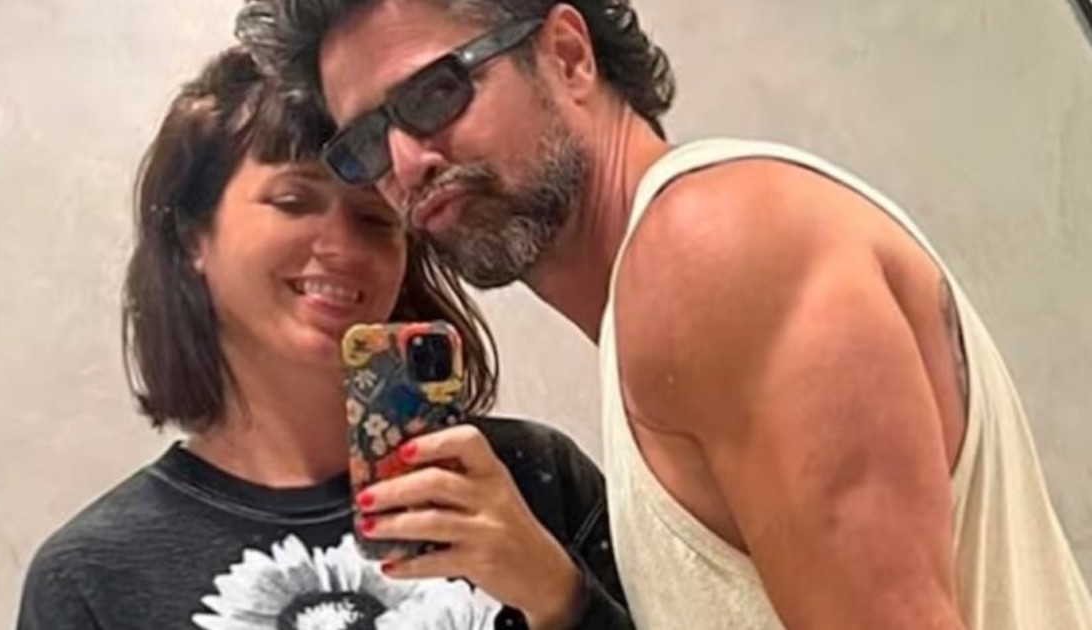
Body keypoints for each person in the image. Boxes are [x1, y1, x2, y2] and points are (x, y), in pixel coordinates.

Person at [234, 1, 1092, 628]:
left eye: (434, 94)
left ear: (568, 56)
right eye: (365, 142)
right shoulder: (663, 288)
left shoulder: (709, 247)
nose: (406, 162)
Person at [15, 46, 633, 630]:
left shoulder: (533, 478)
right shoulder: (95, 579)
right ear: (192, 237)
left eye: (374, 218)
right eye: (293, 201)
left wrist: (557, 597)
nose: (342, 248)